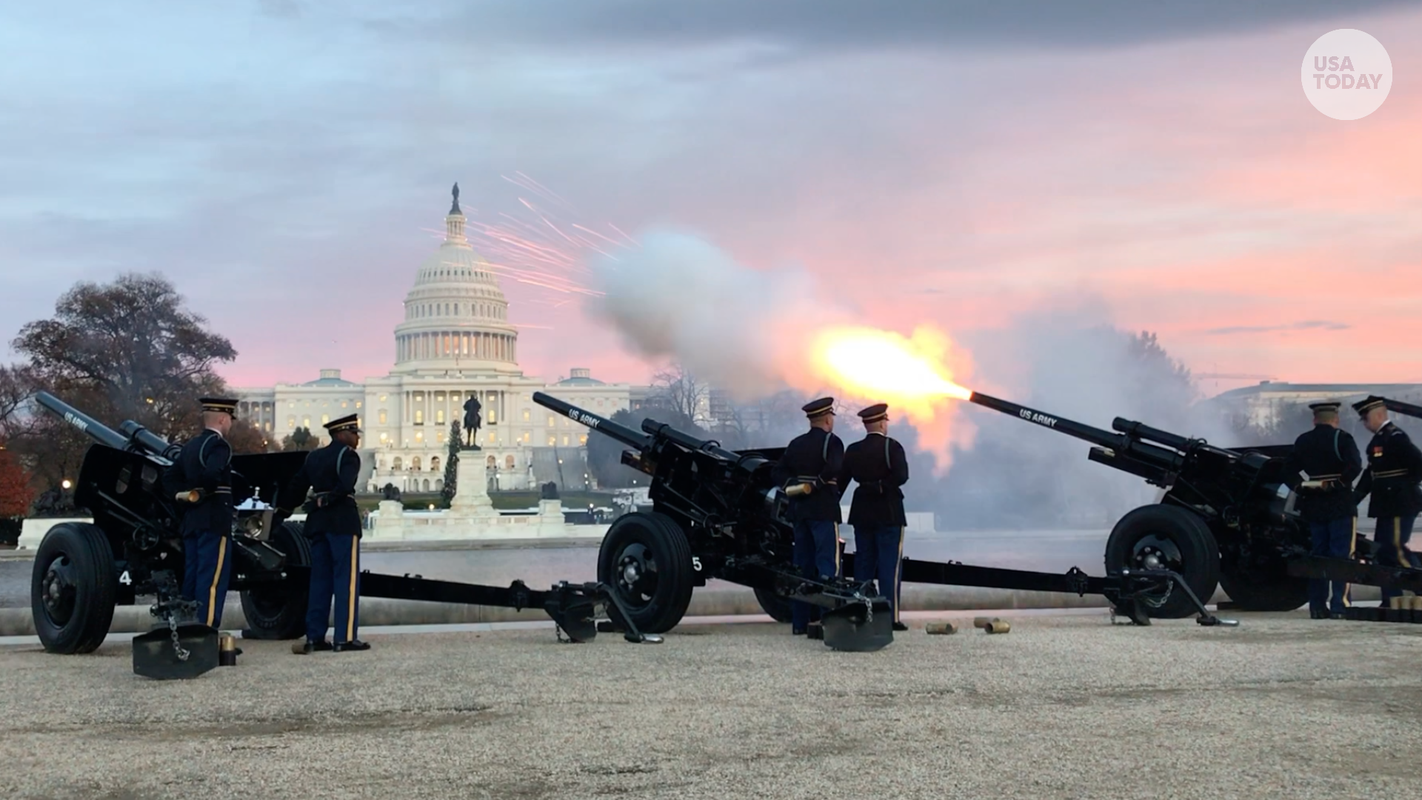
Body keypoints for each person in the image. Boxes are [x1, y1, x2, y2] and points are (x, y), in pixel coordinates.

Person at [280, 414, 370, 653]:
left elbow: (297, 487)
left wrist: (282, 509)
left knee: (319, 582)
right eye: (354, 434)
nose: (357, 439)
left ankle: (315, 636)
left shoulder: (314, 457)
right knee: (345, 581)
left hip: (318, 525)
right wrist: (330, 499)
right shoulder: (348, 456)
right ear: (343, 434)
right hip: (342, 522)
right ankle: (345, 637)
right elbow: (346, 485)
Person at [771, 397, 845, 639]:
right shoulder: (832, 443)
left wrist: (795, 486)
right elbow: (835, 468)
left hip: (800, 511)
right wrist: (817, 484)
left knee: (801, 568)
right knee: (827, 566)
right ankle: (828, 620)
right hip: (823, 510)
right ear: (826, 419)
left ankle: (800, 623)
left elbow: (778, 472)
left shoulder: (796, 444)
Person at [161, 397, 238, 629]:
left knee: (193, 575)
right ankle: (207, 629)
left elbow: (169, 479)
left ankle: (189, 626)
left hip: (192, 519)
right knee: (212, 579)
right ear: (223, 419)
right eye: (230, 420)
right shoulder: (219, 446)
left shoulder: (190, 447)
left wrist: (183, 495)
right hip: (214, 519)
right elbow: (213, 474)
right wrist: (202, 491)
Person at [1282, 401, 1363, 619]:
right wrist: (1338, 483)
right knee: (1342, 555)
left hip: (1314, 504)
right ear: (1335, 419)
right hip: (1340, 503)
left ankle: (1317, 606)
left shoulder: (1303, 441)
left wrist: (1300, 486)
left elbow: (1287, 469)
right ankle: (1340, 604)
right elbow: (1355, 465)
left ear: (1315, 419)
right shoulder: (1343, 439)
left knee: (1318, 554)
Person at [836, 403, 910, 631]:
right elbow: (902, 476)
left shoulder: (853, 449)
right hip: (888, 511)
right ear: (881, 422)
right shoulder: (893, 447)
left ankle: (863, 613)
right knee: (890, 567)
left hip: (862, 512)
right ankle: (890, 618)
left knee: (863, 565)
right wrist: (881, 486)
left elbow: (841, 482)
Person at [1351, 395, 1422, 608]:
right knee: (1382, 551)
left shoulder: (1396, 437)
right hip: (1386, 504)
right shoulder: (1379, 441)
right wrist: (1353, 499)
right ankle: (1391, 597)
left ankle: (1418, 584)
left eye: (1366, 418)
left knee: (1396, 547)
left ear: (1380, 415)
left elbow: (1418, 464)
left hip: (1401, 503)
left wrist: (1403, 487)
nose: (1364, 423)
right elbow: (1371, 475)